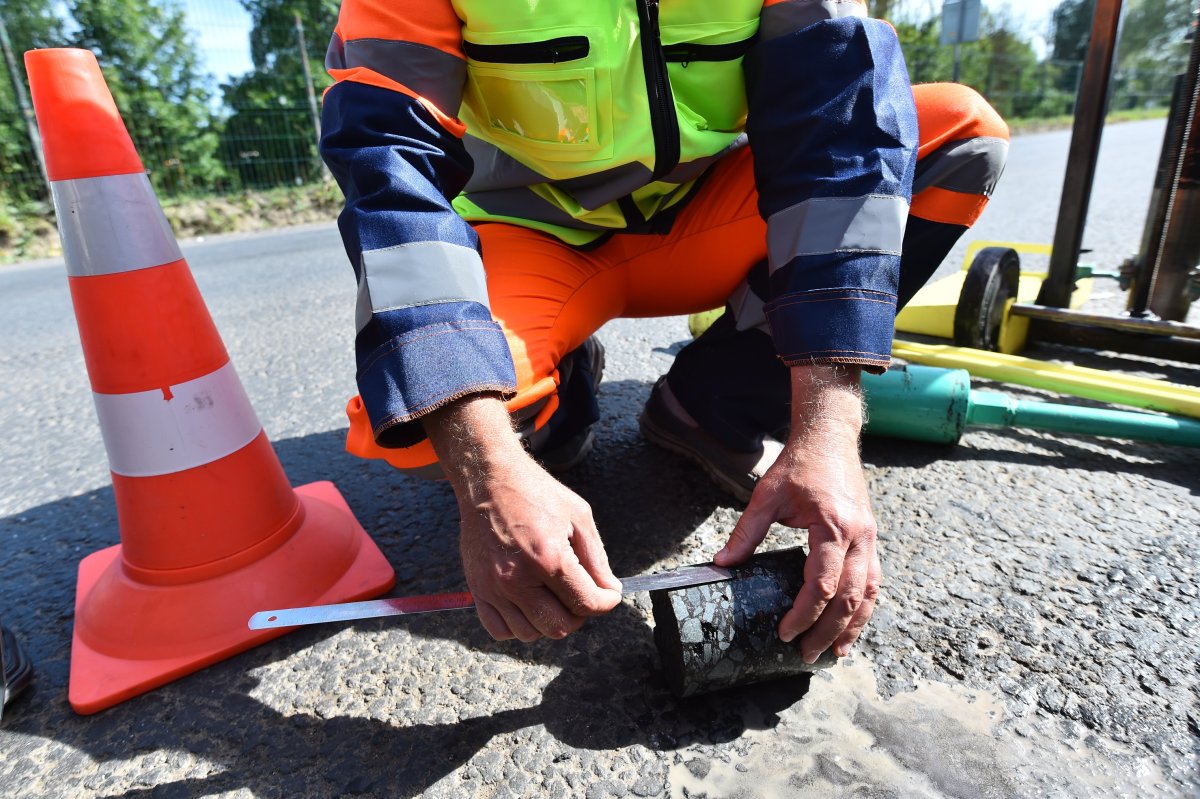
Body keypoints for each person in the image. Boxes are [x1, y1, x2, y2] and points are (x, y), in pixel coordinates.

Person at [319, 0, 1008, 663]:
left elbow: (841, 133)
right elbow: (390, 172)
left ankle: (717, 400)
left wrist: (826, 427)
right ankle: (559, 391)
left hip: (705, 214)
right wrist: (486, 471)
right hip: (526, 230)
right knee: (429, 419)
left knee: (956, 135)